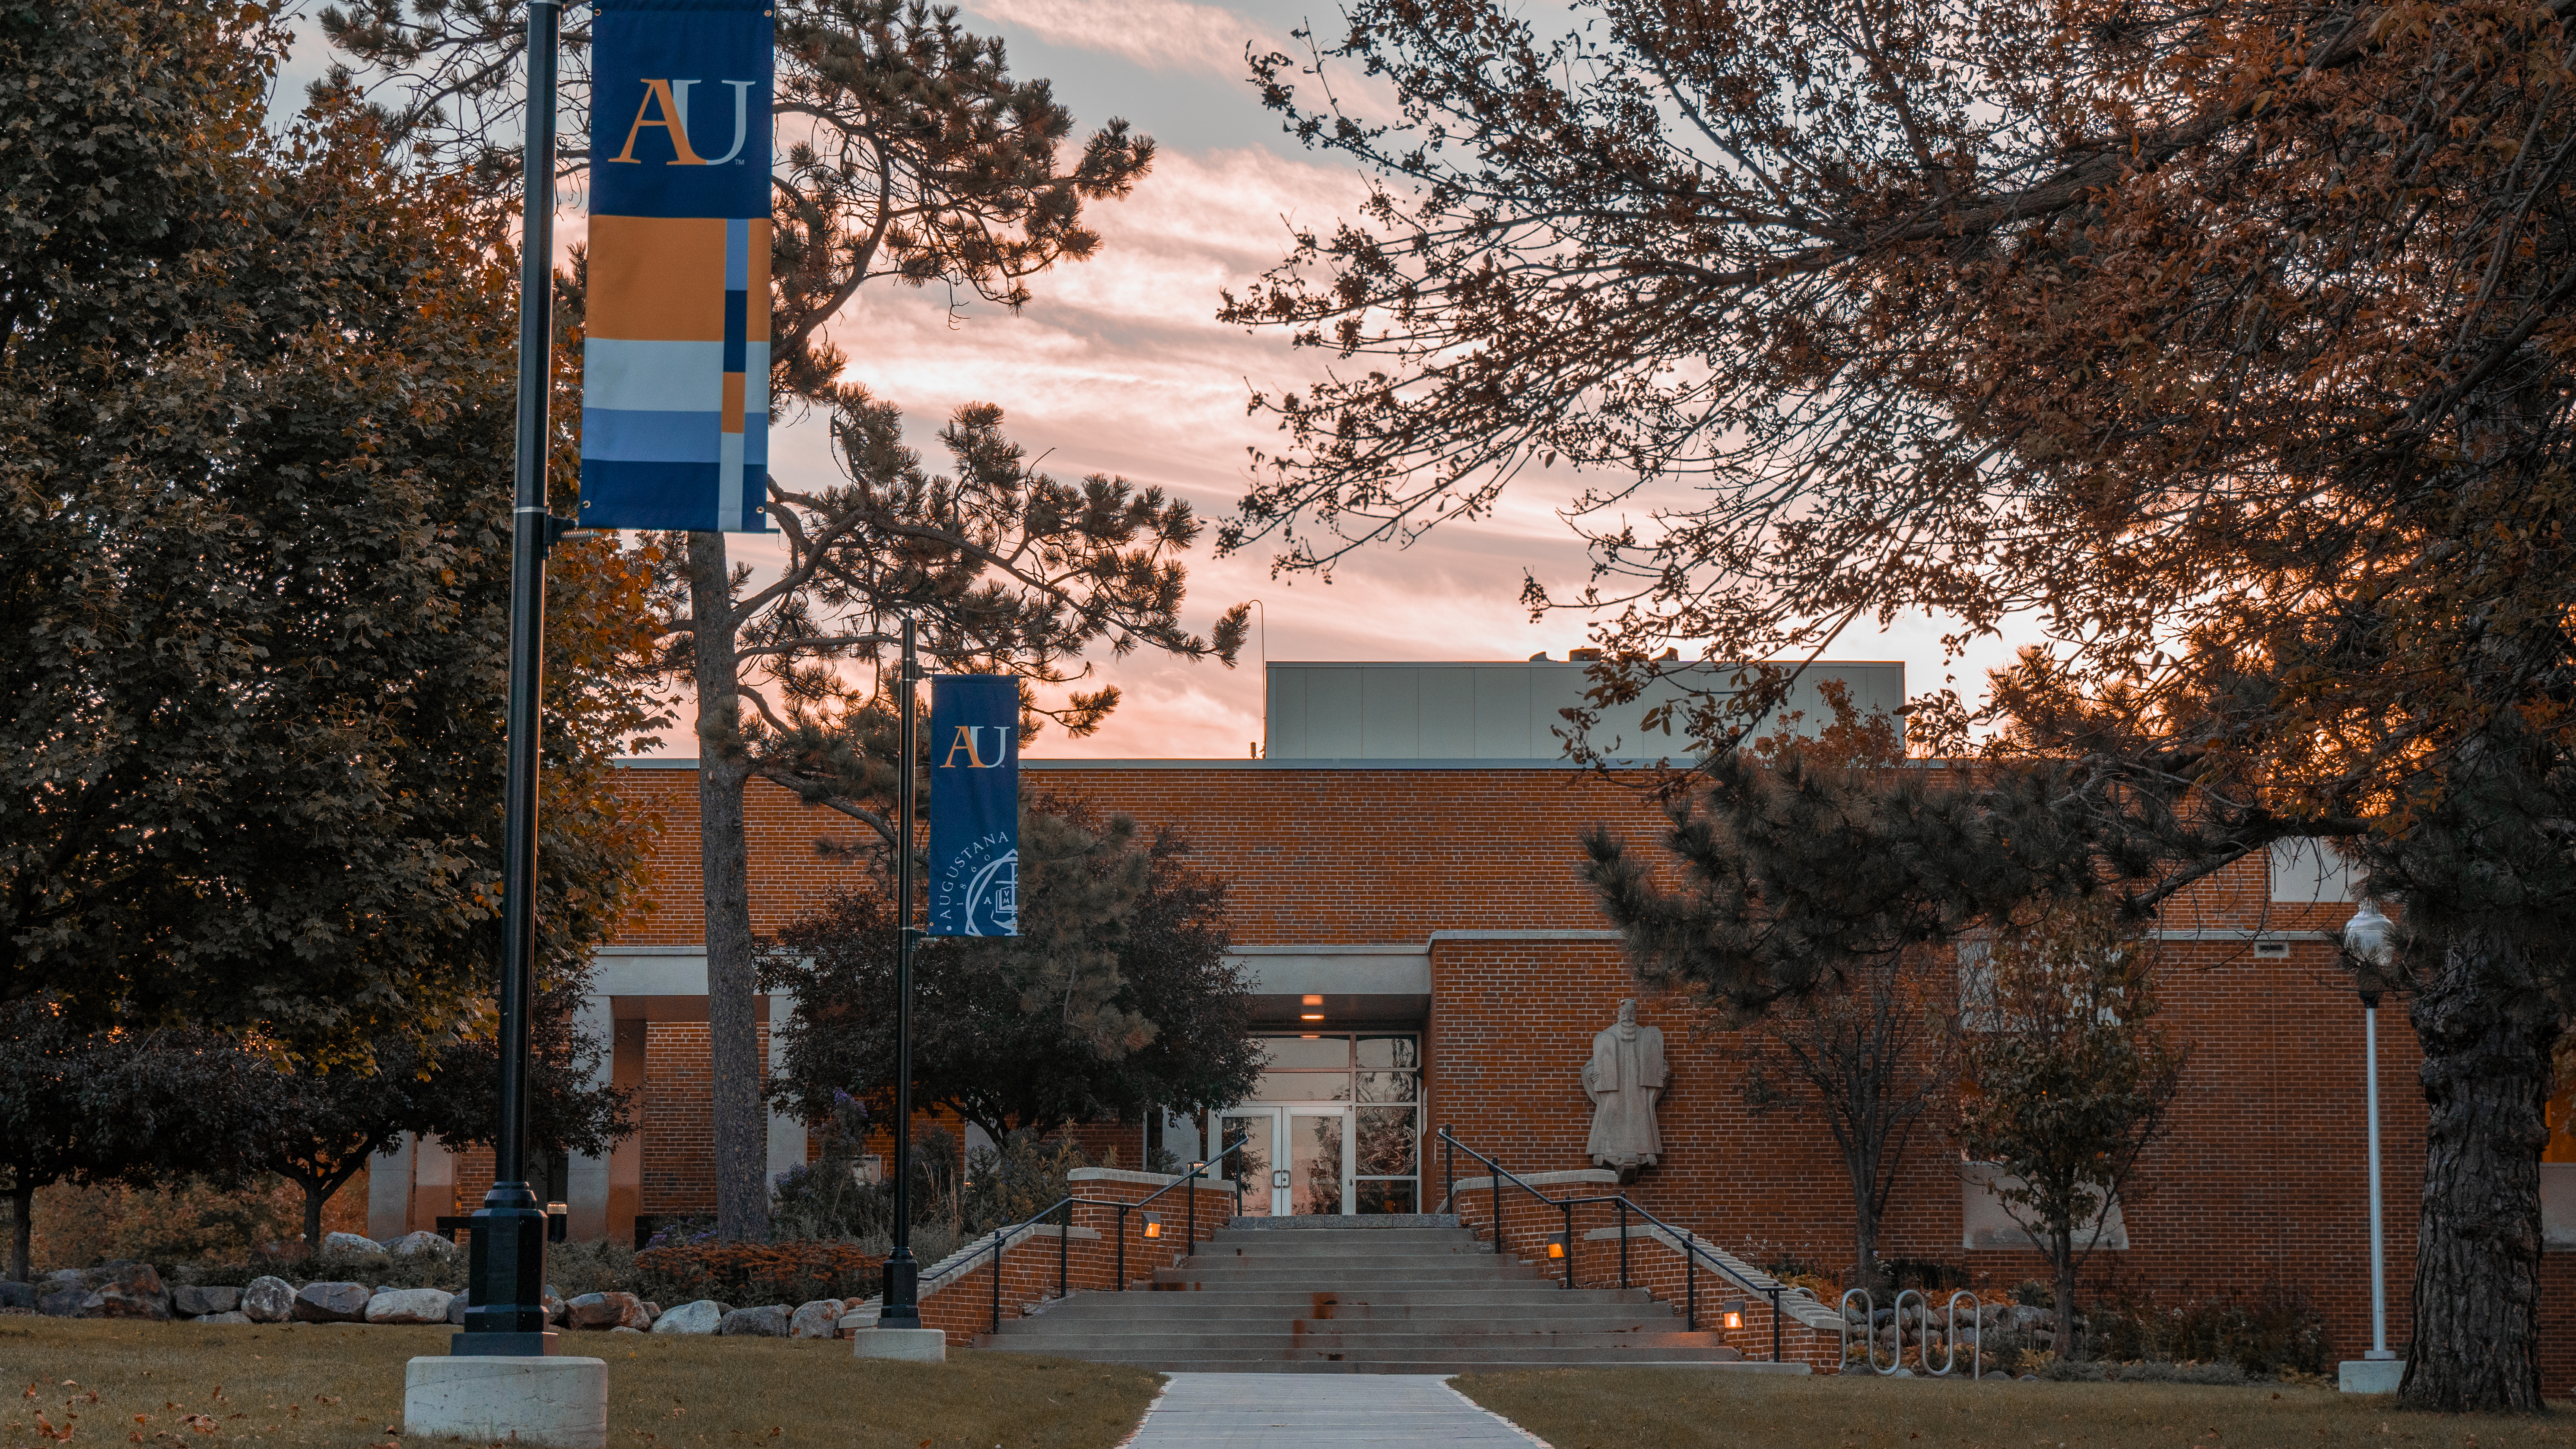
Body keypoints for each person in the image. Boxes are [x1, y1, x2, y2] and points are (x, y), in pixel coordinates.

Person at [1582, 999, 1668, 1181]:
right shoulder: (1607, 1036)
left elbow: (1659, 1063)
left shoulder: (1646, 1036)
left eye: (1632, 1014)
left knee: (1642, 1115)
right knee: (1609, 1113)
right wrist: (1592, 1073)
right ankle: (1603, 1150)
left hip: (1638, 1090)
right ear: (1619, 1014)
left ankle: (1647, 1150)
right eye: (1624, 1014)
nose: (1628, 1018)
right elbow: (1591, 1066)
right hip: (1615, 1090)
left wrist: (1664, 1072)